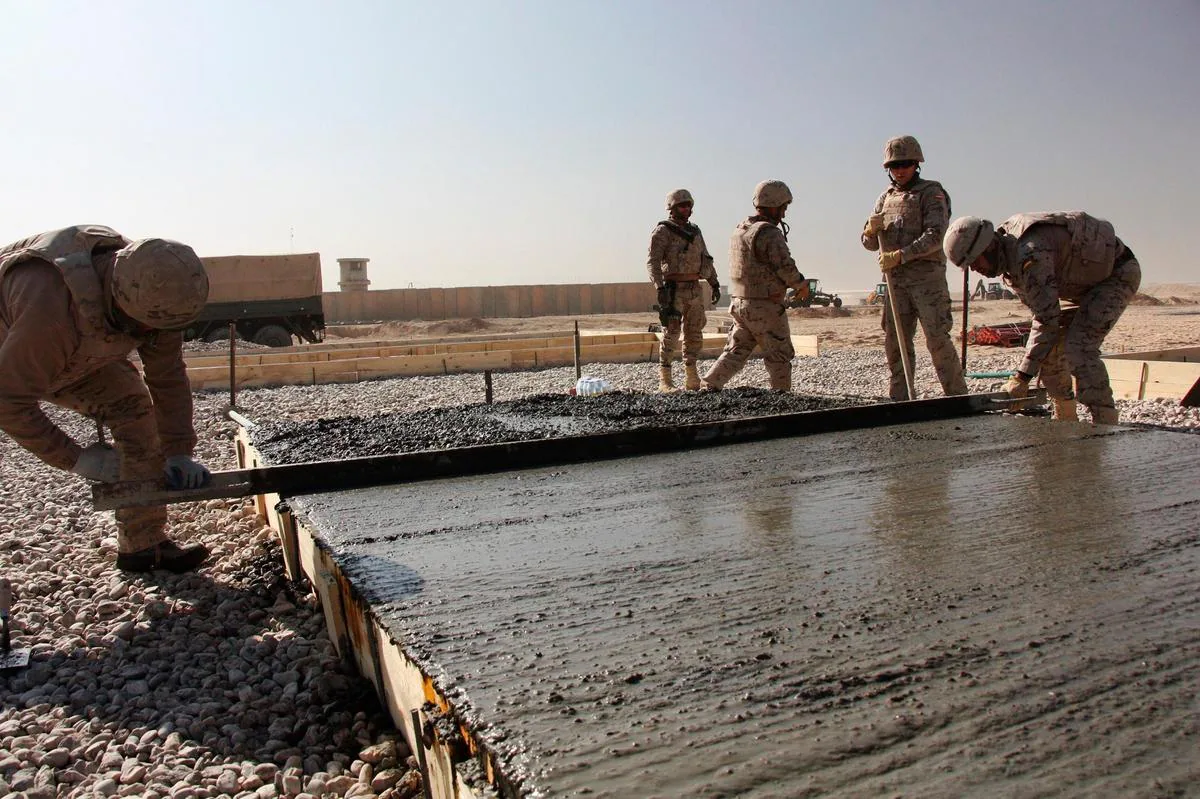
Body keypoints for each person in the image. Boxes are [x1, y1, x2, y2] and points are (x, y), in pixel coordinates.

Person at [0, 225, 214, 572]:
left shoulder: (158, 290)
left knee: (134, 408)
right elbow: (7, 399)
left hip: (76, 354)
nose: (150, 337)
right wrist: (76, 458)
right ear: (118, 300)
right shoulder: (50, 309)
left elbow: (168, 376)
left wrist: (178, 451)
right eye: (143, 328)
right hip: (16, 352)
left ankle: (143, 545)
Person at [943, 212, 1140, 424]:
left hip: (1116, 275)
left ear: (988, 247)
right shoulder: (1009, 263)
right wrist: (1030, 366)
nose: (975, 269)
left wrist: (1022, 377)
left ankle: (1105, 421)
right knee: (1050, 350)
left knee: (1080, 347)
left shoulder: (1030, 254)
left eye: (975, 261)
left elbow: (1047, 318)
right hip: (1079, 286)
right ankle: (1065, 418)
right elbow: (1044, 319)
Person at [861, 135, 968, 400]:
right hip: (895, 283)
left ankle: (956, 397)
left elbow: (936, 235)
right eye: (895, 166)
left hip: (926, 281)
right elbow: (870, 244)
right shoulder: (884, 198)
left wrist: (901, 255)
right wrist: (869, 231)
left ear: (916, 164)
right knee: (895, 342)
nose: (900, 170)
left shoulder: (931, 193)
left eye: (906, 164)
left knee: (937, 339)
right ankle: (901, 398)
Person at [702, 180, 810, 392]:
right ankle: (782, 398)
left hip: (740, 304)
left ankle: (708, 386)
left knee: (736, 350)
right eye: (783, 208)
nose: (784, 214)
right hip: (765, 307)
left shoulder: (741, 229)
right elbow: (785, 266)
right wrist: (800, 284)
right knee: (779, 354)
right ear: (774, 204)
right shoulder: (768, 233)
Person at [647, 189, 721, 391]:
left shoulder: (695, 232)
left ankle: (692, 376)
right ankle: (666, 379)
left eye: (689, 205)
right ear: (672, 207)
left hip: (694, 289)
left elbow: (706, 258)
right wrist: (659, 287)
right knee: (671, 333)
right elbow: (653, 262)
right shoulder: (662, 231)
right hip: (673, 289)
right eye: (682, 205)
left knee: (694, 333)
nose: (686, 209)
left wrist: (714, 283)